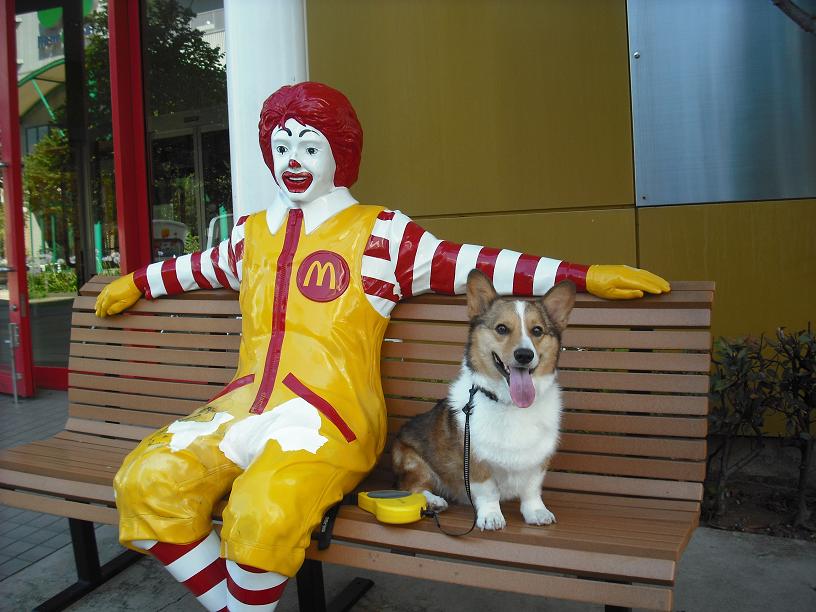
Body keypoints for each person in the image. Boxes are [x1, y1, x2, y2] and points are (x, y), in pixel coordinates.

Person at [95, 82, 670, 611]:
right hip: (240, 406)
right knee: (145, 480)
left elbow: (473, 262)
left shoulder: (381, 234)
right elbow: (194, 267)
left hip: (328, 417)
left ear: (340, 154)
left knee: (262, 509)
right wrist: (136, 282)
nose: (293, 159)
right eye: (282, 145)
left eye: (310, 146)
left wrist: (582, 275)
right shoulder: (249, 235)